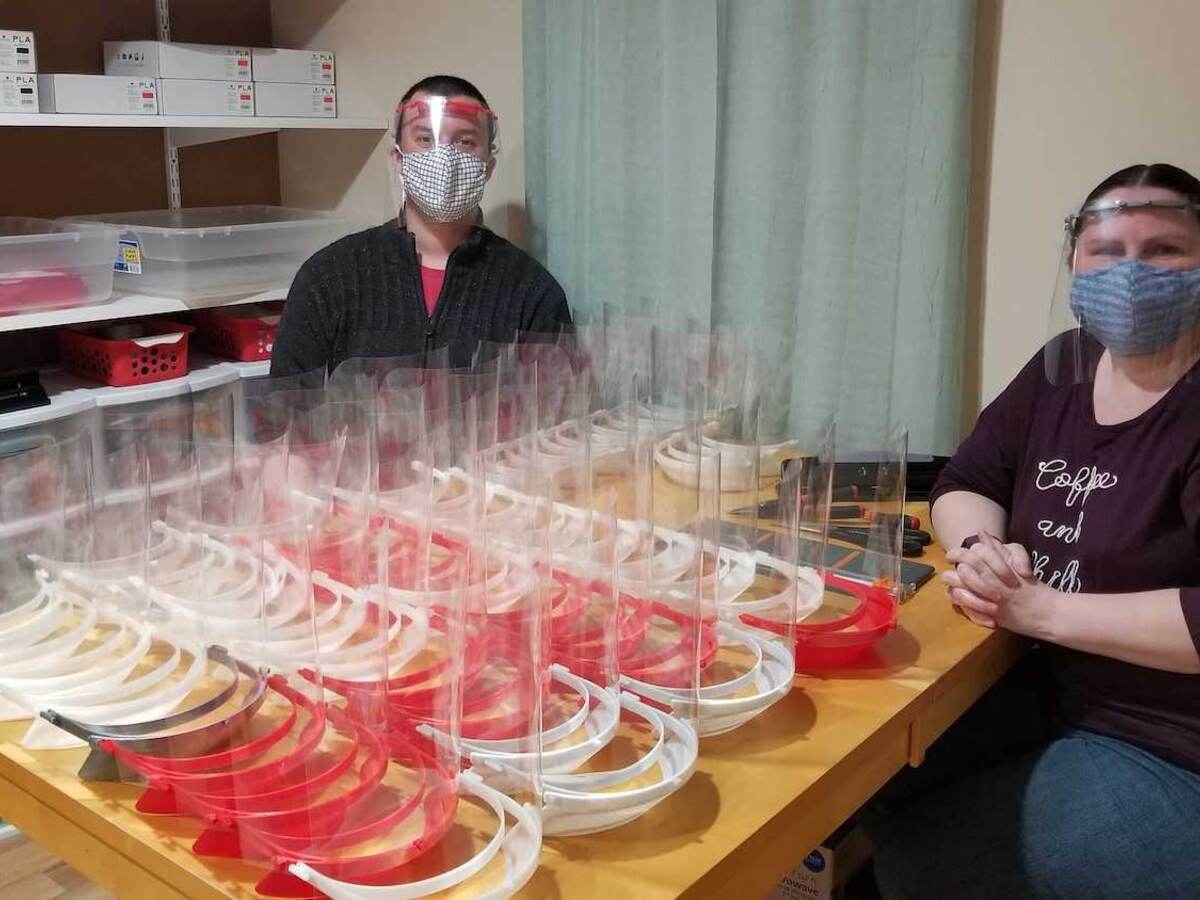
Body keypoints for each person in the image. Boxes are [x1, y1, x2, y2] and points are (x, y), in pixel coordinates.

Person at [868, 163, 1200, 897]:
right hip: (1041, 687)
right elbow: (967, 480)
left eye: (1165, 249)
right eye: (1105, 250)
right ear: (1075, 262)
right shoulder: (1063, 365)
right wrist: (982, 551)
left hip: (1168, 747)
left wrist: (1041, 608)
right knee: (873, 787)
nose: (1131, 272)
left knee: (923, 863)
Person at [271, 75, 572, 375]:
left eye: (465, 141)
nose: (444, 158)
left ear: (488, 167)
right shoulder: (329, 278)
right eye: (425, 139)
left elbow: (561, 411)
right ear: (398, 158)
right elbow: (283, 411)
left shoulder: (532, 291)